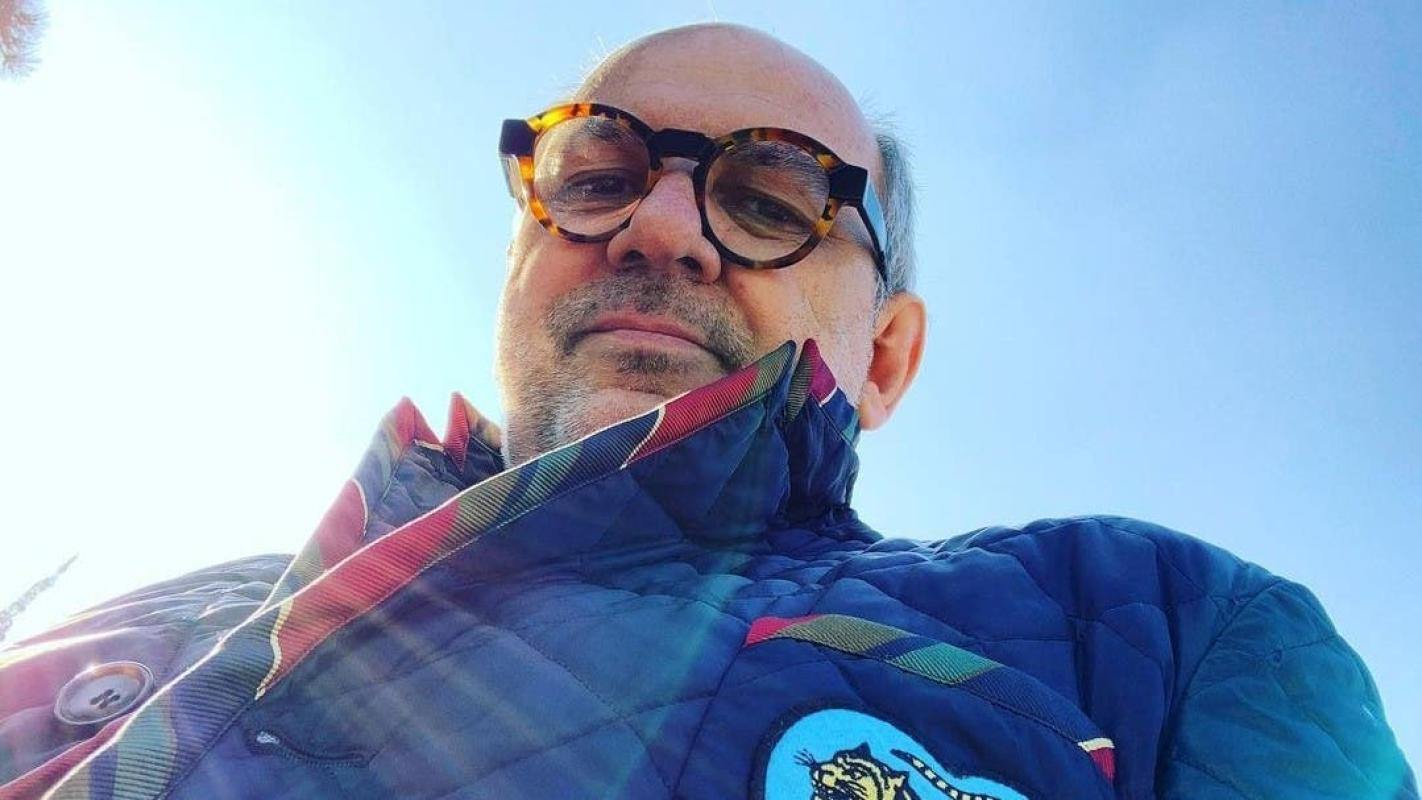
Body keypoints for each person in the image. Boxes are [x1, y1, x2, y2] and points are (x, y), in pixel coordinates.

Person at [0, 23, 1413, 800]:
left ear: (887, 357)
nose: (663, 227)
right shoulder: (139, 622)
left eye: (774, 199)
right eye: (598, 173)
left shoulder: (1161, 633)